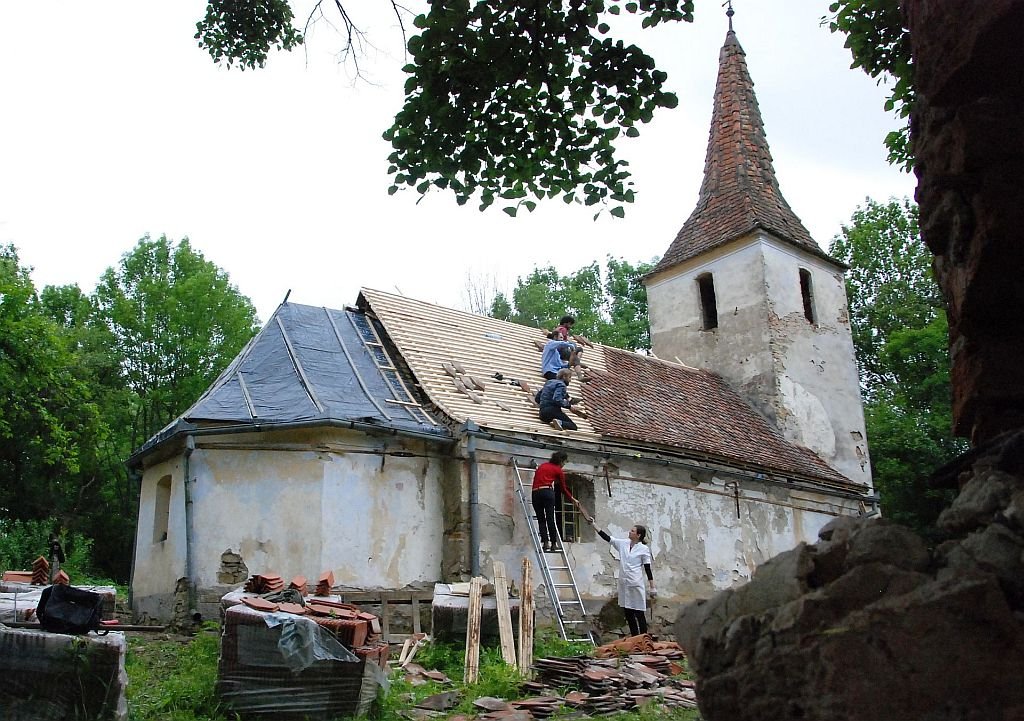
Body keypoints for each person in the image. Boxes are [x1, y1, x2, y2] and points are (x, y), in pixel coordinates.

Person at [580, 509, 656, 636]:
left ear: (638, 535)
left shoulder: (643, 549)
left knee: (639, 612)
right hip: (624, 583)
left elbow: (647, 568)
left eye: (632, 531)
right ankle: (634, 637)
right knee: (628, 612)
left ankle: (643, 638)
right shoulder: (623, 544)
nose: (630, 532)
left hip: (635, 583)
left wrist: (652, 587)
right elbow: (607, 538)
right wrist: (594, 524)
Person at [532, 451, 575, 552]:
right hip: (547, 492)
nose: (564, 465)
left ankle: (545, 542)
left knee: (541, 519)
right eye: (564, 462)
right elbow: (563, 489)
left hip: (535, 493)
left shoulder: (542, 466)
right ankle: (554, 544)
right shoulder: (558, 470)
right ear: (560, 461)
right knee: (550, 519)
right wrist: (572, 498)